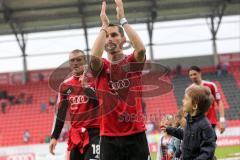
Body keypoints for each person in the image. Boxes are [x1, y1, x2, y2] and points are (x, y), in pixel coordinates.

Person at [90, 0, 150, 159]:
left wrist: (123, 19)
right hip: (109, 137)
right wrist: (104, 26)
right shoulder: (102, 67)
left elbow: (141, 49)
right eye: (107, 36)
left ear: (123, 39)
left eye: (114, 35)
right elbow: (93, 58)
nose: (109, 38)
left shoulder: (132, 63)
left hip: (136, 134)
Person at [49, 49, 100, 160]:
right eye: (72, 60)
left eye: (78, 60)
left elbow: (103, 103)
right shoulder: (65, 85)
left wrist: (86, 88)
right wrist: (55, 137)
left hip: (95, 133)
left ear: (85, 61)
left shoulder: (95, 80)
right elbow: (61, 113)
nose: (75, 63)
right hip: (76, 135)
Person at [163, 85, 217, 160]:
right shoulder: (190, 120)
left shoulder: (205, 126)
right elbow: (185, 134)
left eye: (186, 99)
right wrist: (169, 129)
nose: (182, 101)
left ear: (194, 106)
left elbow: (208, 151)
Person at [188, 65, 226, 134]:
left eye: (194, 74)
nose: (193, 76)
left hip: (210, 122)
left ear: (199, 73)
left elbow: (219, 102)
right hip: (196, 124)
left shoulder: (211, 85)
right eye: (191, 75)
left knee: (209, 144)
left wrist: (222, 120)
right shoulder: (189, 90)